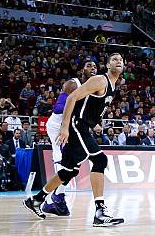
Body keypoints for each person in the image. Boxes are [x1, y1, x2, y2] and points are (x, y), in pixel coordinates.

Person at [23, 53, 124, 227]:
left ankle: (37, 199)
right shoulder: (100, 80)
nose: (119, 62)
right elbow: (71, 98)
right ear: (107, 65)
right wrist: (64, 127)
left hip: (83, 126)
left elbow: (92, 107)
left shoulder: (113, 86)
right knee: (100, 160)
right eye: (114, 59)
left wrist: (95, 124)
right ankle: (100, 212)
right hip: (77, 125)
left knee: (68, 171)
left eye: (121, 60)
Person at [41, 60, 97, 217]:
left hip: (72, 127)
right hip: (58, 126)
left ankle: (56, 199)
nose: (93, 68)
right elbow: (59, 108)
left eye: (95, 66)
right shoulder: (73, 84)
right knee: (63, 161)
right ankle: (57, 197)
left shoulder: (94, 89)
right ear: (82, 70)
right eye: (89, 66)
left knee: (73, 164)